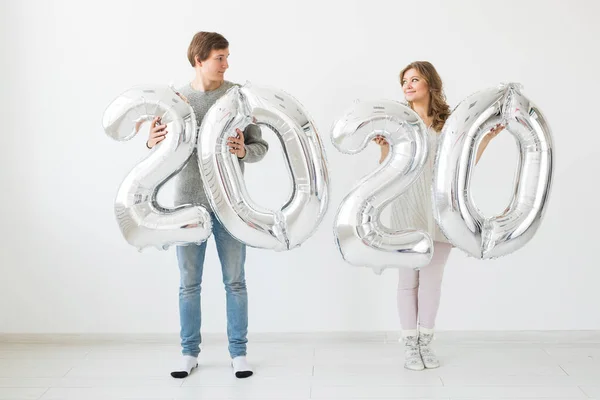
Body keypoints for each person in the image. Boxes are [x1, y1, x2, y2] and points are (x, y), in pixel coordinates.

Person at [147, 31, 269, 379]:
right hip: (186, 207)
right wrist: (151, 141)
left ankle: (238, 354)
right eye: (220, 57)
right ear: (199, 59)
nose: (227, 64)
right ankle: (189, 354)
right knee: (189, 283)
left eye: (227, 57)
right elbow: (161, 151)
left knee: (235, 282)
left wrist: (244, 150)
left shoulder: (238, 98)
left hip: (231, 206)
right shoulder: (176, 101)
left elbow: (260, 147)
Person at [374, 61, 502, 370]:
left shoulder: (448, 124)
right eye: (404, 80)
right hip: (406, 207)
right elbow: (386, 169)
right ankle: (409, 345)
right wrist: (382, 147)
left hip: (441, 209)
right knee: (408, 280)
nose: (407, 85)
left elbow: (462, 163)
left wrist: (486, 139)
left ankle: (426, 343)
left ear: (430, 84)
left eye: (414, 79)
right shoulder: (399, 123)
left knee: (431, 280)